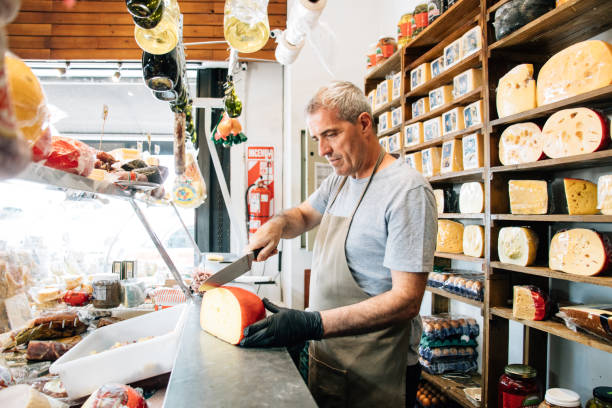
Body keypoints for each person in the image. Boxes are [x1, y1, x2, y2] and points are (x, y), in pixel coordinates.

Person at [240, 81, 437, 407]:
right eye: (317, 139)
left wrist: (312, 322)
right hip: (328, 355)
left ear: (363, 124)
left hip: (377, 368)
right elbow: (303, 215)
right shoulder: (340, 180)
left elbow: (406, 301)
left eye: (331, 134)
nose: (323, 149)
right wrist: (275, 225)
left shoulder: (406, 191)